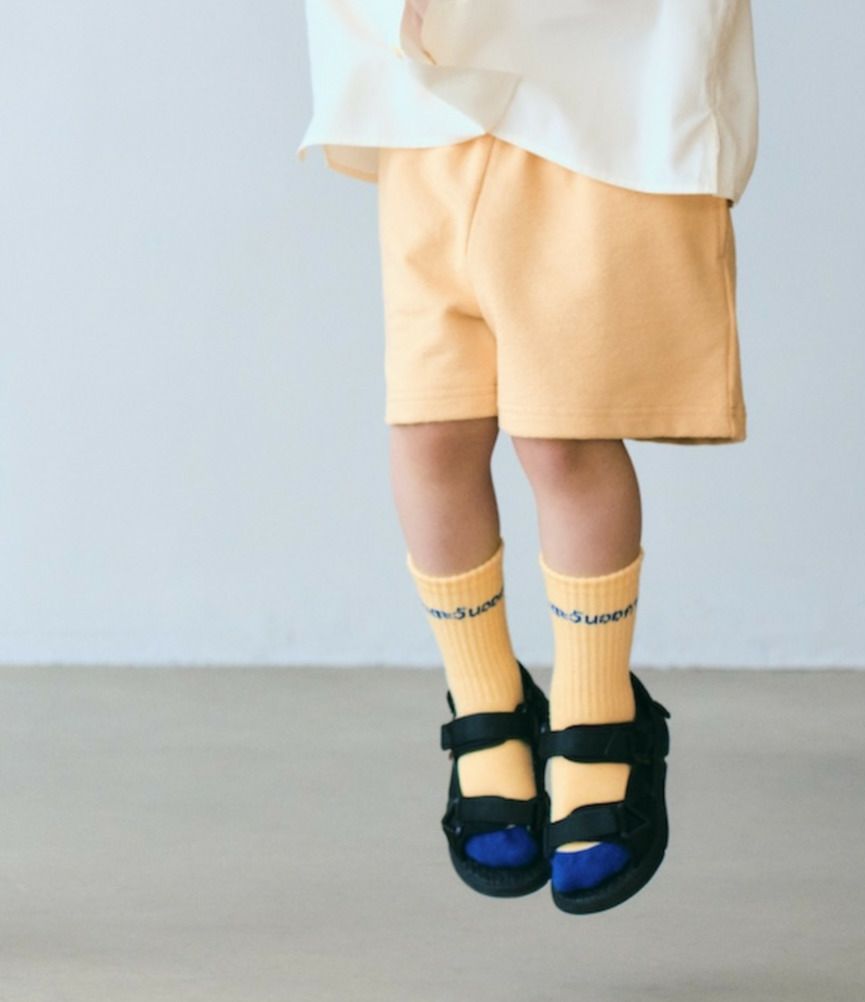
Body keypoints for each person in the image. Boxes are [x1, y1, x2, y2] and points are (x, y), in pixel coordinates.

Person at [296, 0, 759, 914]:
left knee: (563, 431)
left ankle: (596, 708)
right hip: (433, 101)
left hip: (582, 95)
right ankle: (485, 700)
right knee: (431, 424)